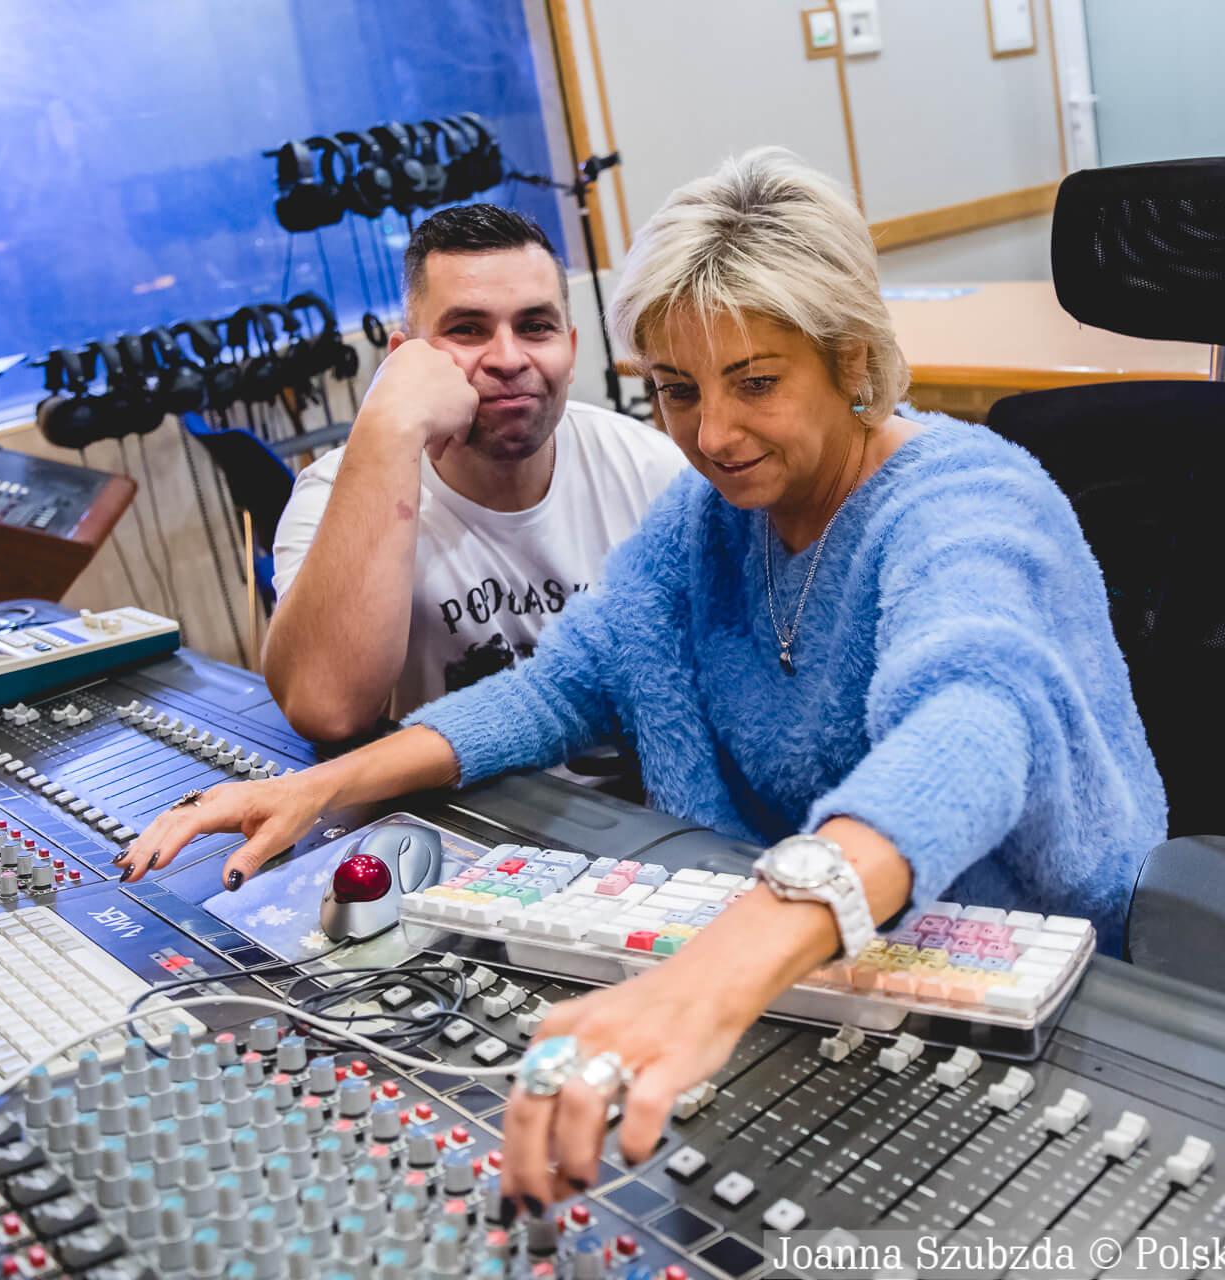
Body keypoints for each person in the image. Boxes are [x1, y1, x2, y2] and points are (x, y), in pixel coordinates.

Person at [122, 149, 1165, 1214]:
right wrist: (320, 786)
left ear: (851, 359)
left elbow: (971, 727)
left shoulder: (967, 501)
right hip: (811, 954)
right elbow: (560, 683)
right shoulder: (708, 515)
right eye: (676, 389)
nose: (711, 434)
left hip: (1010, 969)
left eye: (755, 382)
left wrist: (723, 967)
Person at [264, 204, 687, 741]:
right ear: (403, 357)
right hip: (452, 792)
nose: (508, 359)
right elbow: (325, 708)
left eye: (536, 327)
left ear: (571, 349)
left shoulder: (652, 470)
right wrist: (389, 421)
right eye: (467, 330)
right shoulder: (332, 496)